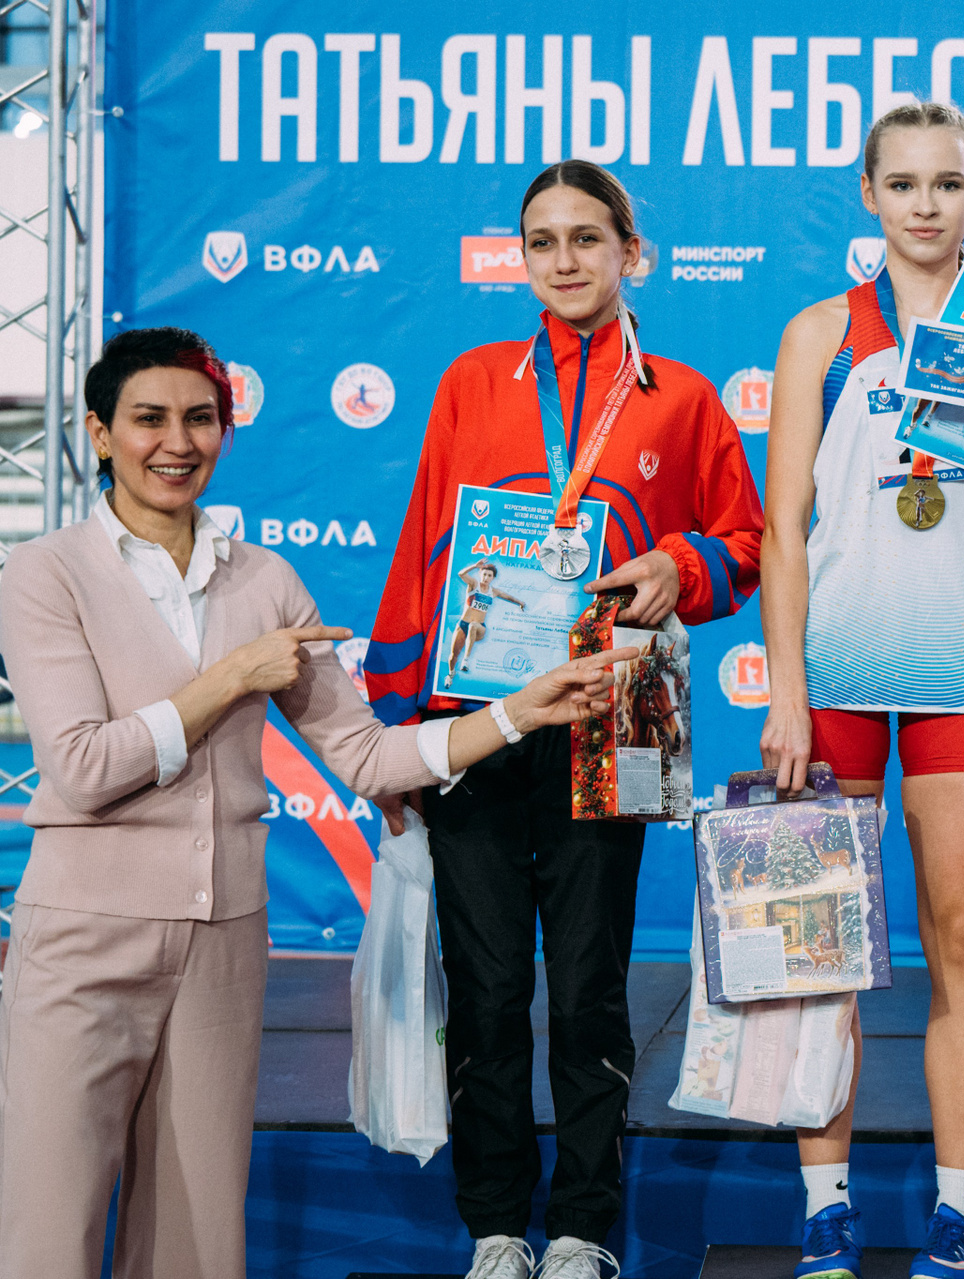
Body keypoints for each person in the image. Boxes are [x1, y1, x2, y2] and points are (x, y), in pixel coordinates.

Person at [0, 327, 631, 1279]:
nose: (177, 442)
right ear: (98, 433)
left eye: (200, 419)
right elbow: (84, 766)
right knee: (47, 1232)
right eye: (149, 419)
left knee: (196, 1246)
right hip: (84, 936)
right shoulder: (46, 572)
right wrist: (230, 678)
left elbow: (369, 756)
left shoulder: (264, 579)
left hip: (222, 945)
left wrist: (515, 711)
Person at [367, 160, 763, 1279]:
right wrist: (397, 732)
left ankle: (584, 1227)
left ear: (631, 252)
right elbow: (423, 550)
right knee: (487, 988)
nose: (564, 260)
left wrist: (680, 564)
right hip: (482, 721)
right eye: (542, 241)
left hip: (615, 718)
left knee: (589, 986)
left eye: (587, 238)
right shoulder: (472, 382)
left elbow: (745, 542)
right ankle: (498, 1225)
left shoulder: (682, 398)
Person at [757, 101, 964, 1279]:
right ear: (868, 194)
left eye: (947, 184)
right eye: (901, 183)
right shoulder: (819, 334)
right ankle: (825, 1208)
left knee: (962, 937)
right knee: (823, 953)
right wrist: (787, 691)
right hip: (840, 677)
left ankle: (960, 1207)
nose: (924, 204)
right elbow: (783, 532)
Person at [446, 561, 526, 678]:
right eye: (484, 574)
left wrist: (520, 603)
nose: (486, 578)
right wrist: (474, 566)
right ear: (480, 574)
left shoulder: (493, 591)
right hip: (463, 625)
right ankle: (451, 674)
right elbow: (461, 574)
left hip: (479, 627)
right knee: (453, 655)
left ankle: (466, 660)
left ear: (493, 578)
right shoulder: (474, 584)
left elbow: (508, 597)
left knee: (473, 625)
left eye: (489, 576)